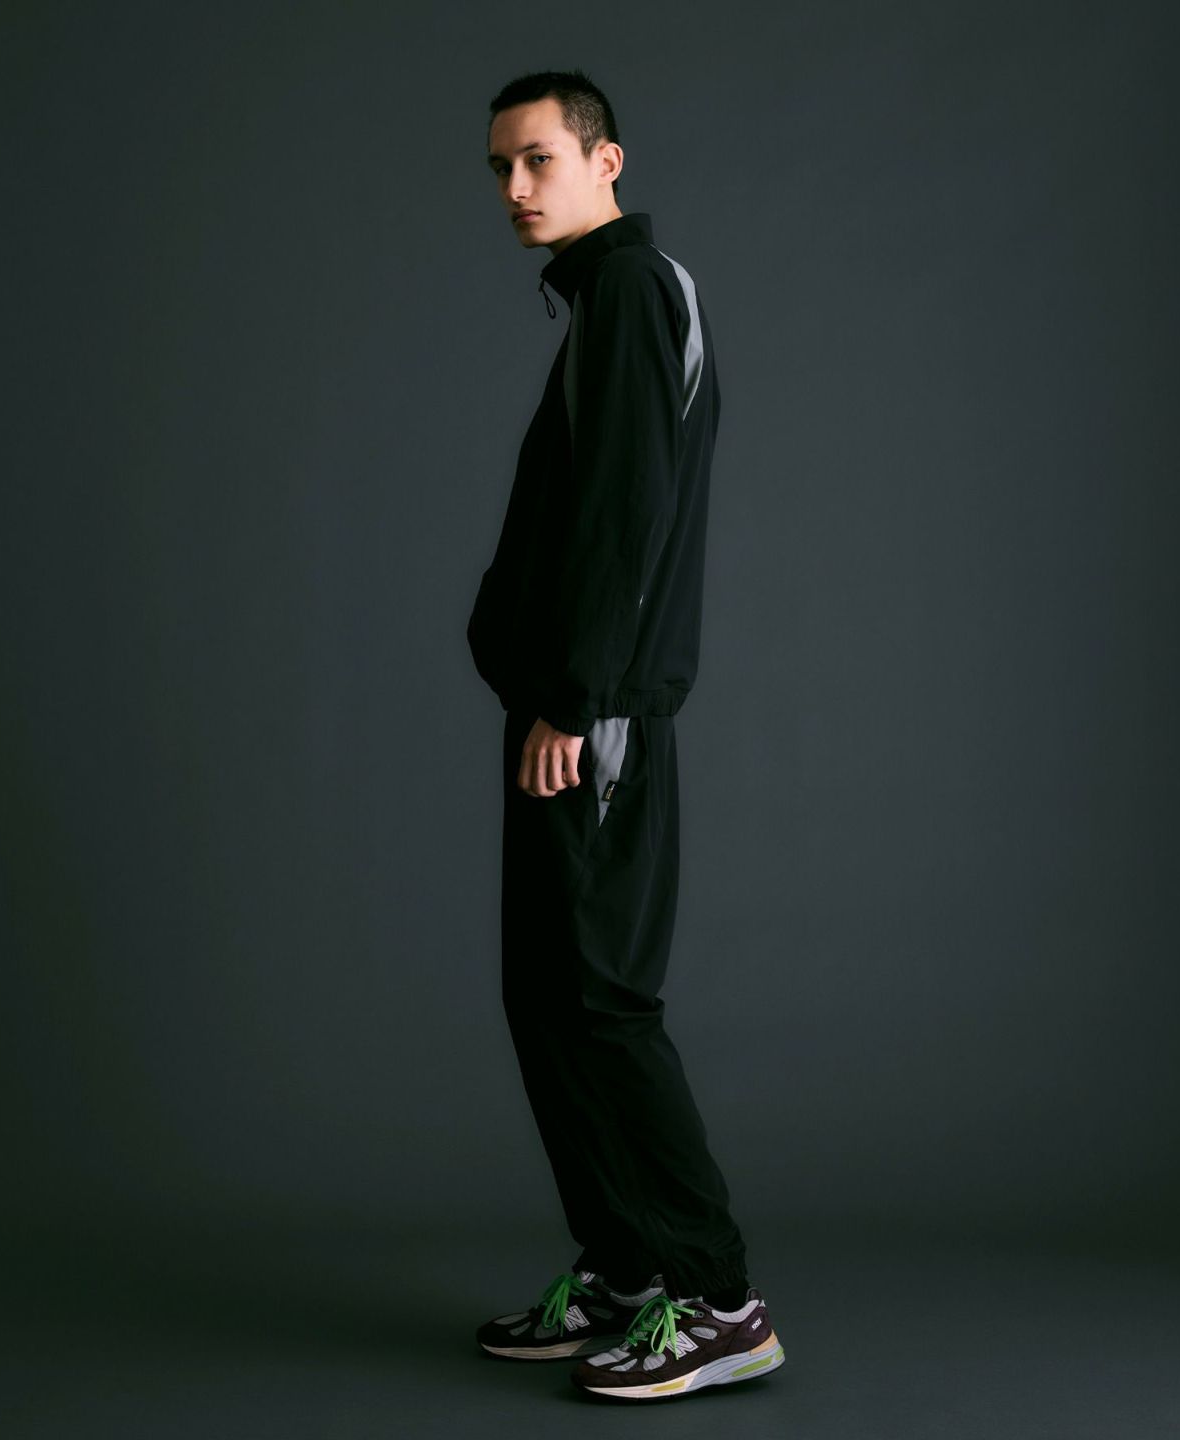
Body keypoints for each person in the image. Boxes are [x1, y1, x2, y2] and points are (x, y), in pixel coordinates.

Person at [466, 68, 784, 1401]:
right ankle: (627, 1268)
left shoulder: (640, 293)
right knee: (547, 1002)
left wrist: (575, 694)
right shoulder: (602, 302)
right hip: (563, 708)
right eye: (500, 167)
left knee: (599, 1003)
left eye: (538, 158)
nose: (515, 188)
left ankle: (721, 1300)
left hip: (590, 719)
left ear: (606, 161)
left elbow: (628, 513)